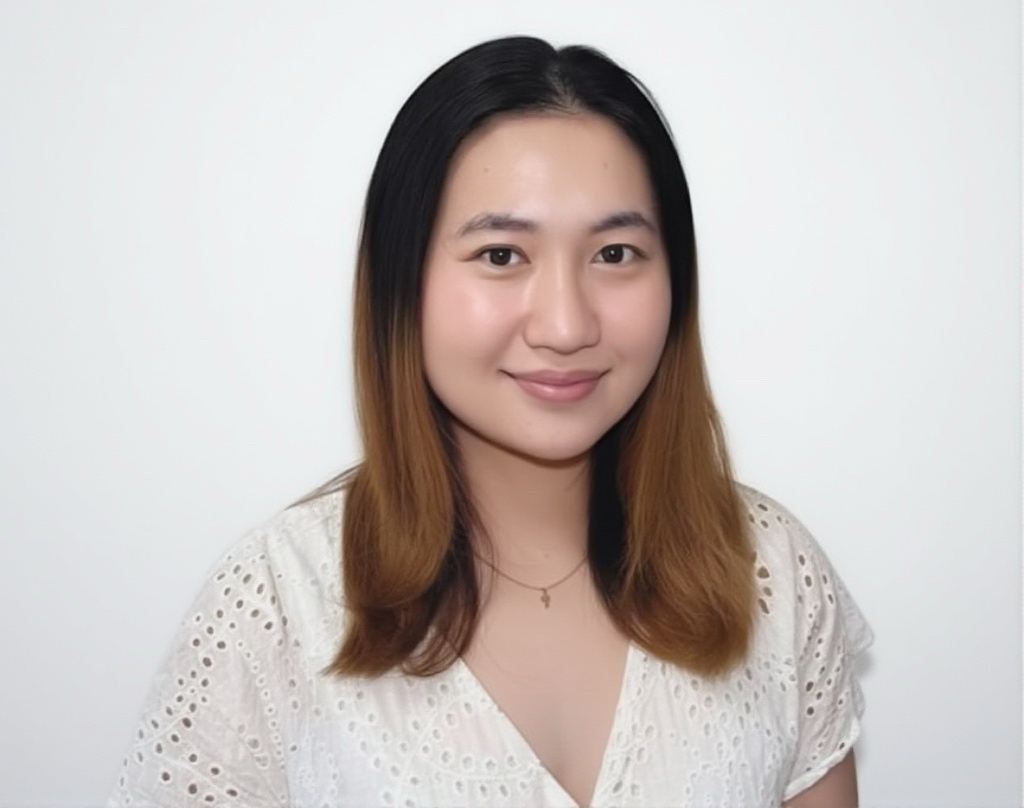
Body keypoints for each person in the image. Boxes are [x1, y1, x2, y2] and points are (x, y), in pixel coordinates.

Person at [109, 36, 871, 808]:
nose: (566, 326)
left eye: (615, 253)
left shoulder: (770, 574)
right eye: (502, 256)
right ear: (402, 283)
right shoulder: (276, 603)